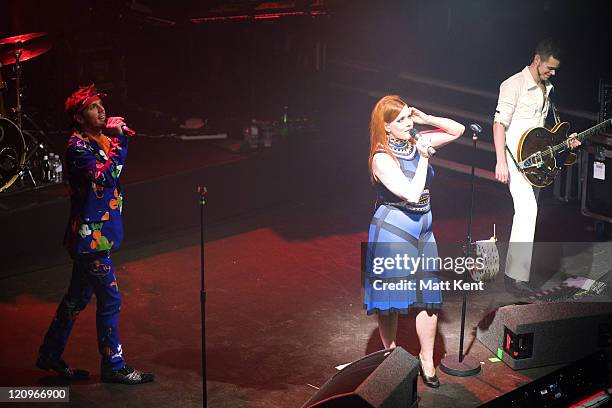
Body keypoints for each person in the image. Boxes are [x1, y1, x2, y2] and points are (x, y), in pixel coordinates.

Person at [36, 84, 154, 384]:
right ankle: (113, 365)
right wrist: (120, 143)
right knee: (111, 299)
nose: (102, 110)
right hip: (91, 239)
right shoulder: (77, 148)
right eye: (93, 107)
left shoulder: (99, 140)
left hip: (98, 234)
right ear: (78, 117)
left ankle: (50, 354)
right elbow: (106, 175)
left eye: (102, 104)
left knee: (76, 298)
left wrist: (113, 140)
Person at [364, 95, 464, 388]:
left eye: (409, 117)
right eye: (402, 121)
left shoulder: (415, 140)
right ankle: (390, 358)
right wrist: (424, 157)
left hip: (423, 231)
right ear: (386, 127)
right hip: (394, 232)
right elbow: (410, 193)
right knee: (390, 303)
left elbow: (456, 130)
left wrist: (426, 118)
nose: (408, 124)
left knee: (428, 300)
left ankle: (427, 360)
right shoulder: (382, 158)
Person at [493, 39, 579, 296]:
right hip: (515, 160)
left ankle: (517, 275)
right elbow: (499, 124)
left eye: (555, 69)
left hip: (537, 162)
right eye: (550, 67)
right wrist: (500, 160)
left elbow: (544, 130)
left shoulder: (547, 88)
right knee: (527, 210)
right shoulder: (513, 84)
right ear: (537, 59)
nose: (552, 73)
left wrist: (564, 143)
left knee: (530, 212)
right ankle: (514, 278)